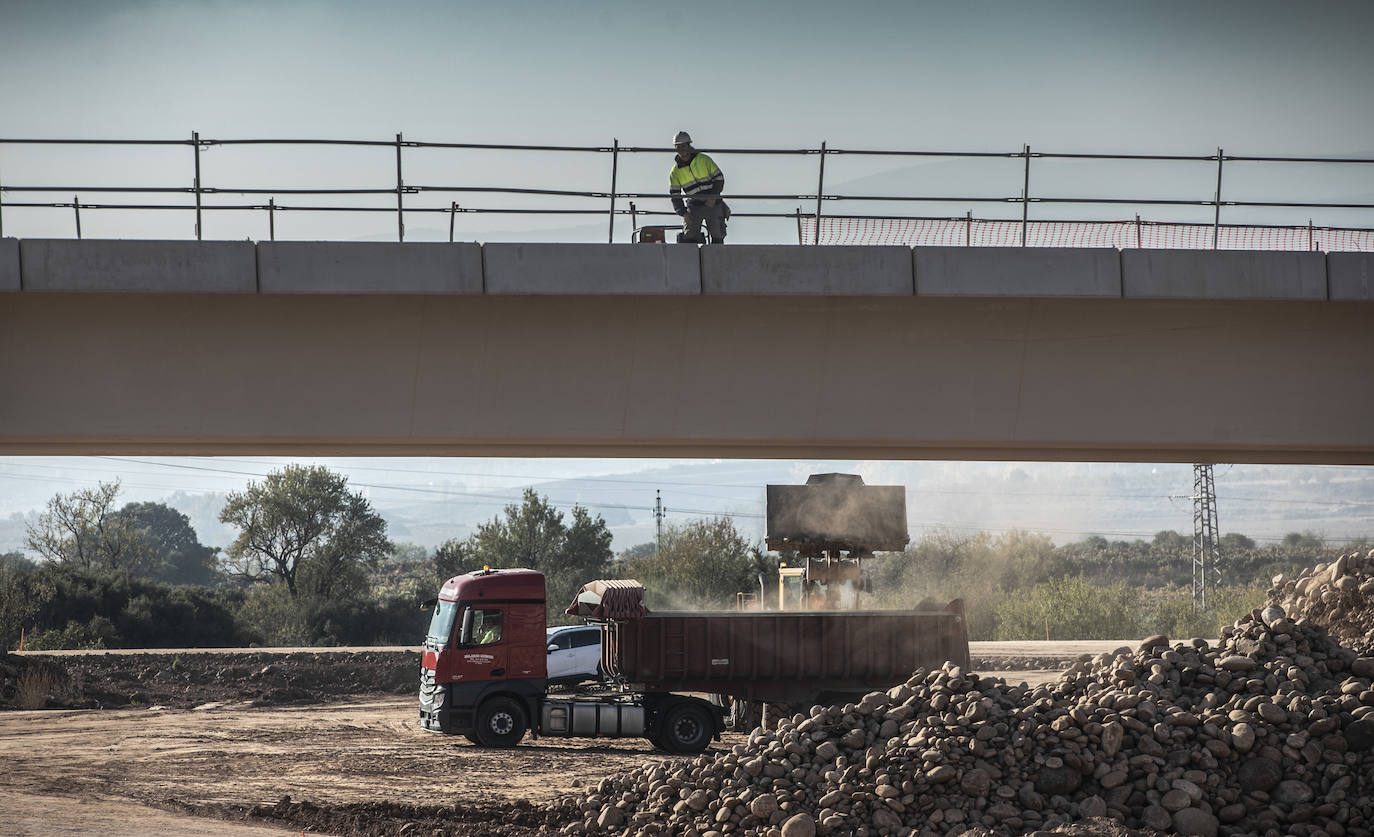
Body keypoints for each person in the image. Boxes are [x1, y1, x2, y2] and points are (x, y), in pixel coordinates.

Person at [669, 131, 728, 244]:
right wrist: (684, 213)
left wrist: (713, 197)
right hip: (694, 206)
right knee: (689, 236)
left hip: (713, 204)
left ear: (689, 145)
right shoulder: (675, 172)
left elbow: (719, 179)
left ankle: (715, 258)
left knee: (717, 235)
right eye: (679, 147)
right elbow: (675, 195)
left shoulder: (703, 159)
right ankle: (691, 259)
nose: (682, 149)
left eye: (684, 146)